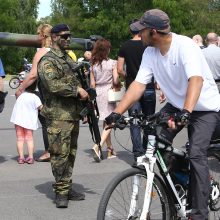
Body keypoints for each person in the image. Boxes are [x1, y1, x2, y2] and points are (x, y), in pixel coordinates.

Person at [105, 9, 220, 220]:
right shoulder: (150, 53)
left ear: (154, 32)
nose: (139, 36)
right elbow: (138, 85)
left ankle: (199, 213)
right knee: (157, 142)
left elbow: (196, 79)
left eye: (142, 31)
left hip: (204, 108)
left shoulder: (185, 46)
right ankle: (179, 189)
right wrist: (117, 113)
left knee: (196, 153)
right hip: (177, 105)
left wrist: (186, 112)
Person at [37, 23, 88, 208]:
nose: (68, 39)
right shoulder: (48, 60)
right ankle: (60, 192)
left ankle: (66, 187)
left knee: (70, 154)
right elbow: (53, 85)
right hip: (58, 116)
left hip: (72, 115)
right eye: (64, 36)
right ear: (54, 37)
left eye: (69, 36)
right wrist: (77, 90)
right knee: (59, 155)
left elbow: (78, 80)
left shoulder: (68, 59)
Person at [117, 19, 156, 161]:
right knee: (149, 120)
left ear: (130, 31)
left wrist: (127, 76)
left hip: (132, 88)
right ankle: (148, 151)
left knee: (134, 121)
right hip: (149, 87)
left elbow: (120, 69)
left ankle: (138, 153)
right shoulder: (149, 45)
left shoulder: (125, 46)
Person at [16, 24, 52, 162]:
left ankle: (49, 152)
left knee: (45, 122)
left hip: (44, 91)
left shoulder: (41, 52)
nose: (37, 37)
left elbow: (33, 74)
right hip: (56, 91)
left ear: (43, 36)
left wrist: (21, 88)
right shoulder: (58, 51)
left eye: (38, 34)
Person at [90, 38, 120, 162]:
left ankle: (110, 149)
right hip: (109, 92)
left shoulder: (93, 65)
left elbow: (92, 84)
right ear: (106, 50)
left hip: (98, 92)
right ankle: (98, 145)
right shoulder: (113, 63)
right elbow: (116, 80)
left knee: (105, 120)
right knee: (111, 121)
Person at [10, 80, 43, 164]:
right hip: (29, 121)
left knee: (20, 139)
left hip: (18, 120)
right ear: (35, 87)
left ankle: (21, 158)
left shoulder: (21, 95)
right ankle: (30, 157)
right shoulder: (35, 97)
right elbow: (41, 108)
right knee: (29, 138)